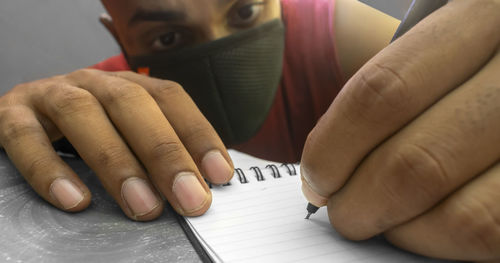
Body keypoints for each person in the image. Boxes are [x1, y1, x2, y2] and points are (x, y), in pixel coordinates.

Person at [0, 0, 498, 261]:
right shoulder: (113, 99)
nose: (218, 50)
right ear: (119, 37)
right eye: (167, 36)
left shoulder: (335, 31)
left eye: (244, 12)